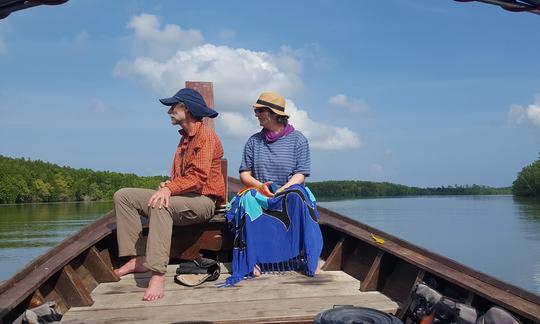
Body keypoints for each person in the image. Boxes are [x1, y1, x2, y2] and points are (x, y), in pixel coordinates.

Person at [113, 88, 225, 301]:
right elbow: (185, 178)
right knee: (124, 196)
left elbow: (198, 178)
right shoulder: (184, 140)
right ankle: (139, 258)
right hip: (186, 198)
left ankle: (157, 274)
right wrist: (170, 184)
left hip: (203, 201)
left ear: (188, 109)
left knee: (160, 204)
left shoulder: (206, 136)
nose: (169, 112)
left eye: (174, 107)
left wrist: (169, 189)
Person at [237, 91, 320, 277]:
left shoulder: (298, 139)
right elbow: (244, 173)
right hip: (261, 191)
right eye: (256, 110)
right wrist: (260, 186)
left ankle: (308, 256)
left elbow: (301, 174)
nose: (256, 114)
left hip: (288, 189)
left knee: (297, 195)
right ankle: (254, 259)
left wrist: (283, 189)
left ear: (275, 113)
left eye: (260, 111)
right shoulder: (253, 141)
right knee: (248, 199)